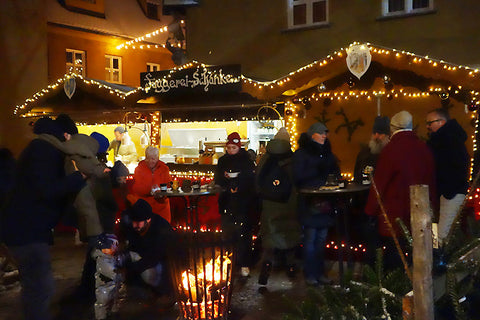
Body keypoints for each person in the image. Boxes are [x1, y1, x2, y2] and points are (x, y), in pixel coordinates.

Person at [1, 117, 85, 320]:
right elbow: (46, 189)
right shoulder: (44, 151)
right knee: (41, 287)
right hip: (27, 231)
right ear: (65, 135)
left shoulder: (42, 148)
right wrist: (77, 179)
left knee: (36, 287)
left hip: (25, 229)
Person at [365, 110, 436, 270]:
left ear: (392, 128)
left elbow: (379, 185)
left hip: (395, 215)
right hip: (421, 212)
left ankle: (396, 289)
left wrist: (370, 211)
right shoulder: (424, 148)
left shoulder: (390, 151)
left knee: (395, 256)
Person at [292, 122, 340, 286]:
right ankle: (311, 274)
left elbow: (335, 172)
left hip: (324, 202)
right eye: (321, 133)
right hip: (310, 203)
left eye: (325, 133)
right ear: (312, 135)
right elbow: (298, 177)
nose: (324, 136)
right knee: (312, 239)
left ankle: (318, 273)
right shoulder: (303, 154)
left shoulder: (327, 154)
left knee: (320, 240)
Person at [256, 127, 301, 285]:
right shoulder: (292, 158)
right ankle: (290, 270)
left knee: (270, 242)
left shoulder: (265, 158)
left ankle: (265, 271)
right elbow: (297, 180)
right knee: (289, 236)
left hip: (270, 205)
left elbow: (258, 180)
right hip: (288, 204)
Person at [215, 132, 256, 277]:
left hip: (243, 203)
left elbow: (250, 179)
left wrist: (239, 183)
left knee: (244, 234)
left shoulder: (246, 160)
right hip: (227, 202)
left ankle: (244, 263)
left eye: (233, 147)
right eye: (229, 147)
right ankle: (229, 262)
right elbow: (218, 178)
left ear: (239, 147)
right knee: (228, 233)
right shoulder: (222, 161)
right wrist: (224, 178)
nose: (231, 150)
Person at [426, 108, 469, 246]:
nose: (428, 126)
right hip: (449, 192)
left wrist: (446, 190)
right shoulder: (449, 139)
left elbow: (452, 168)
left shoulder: (447, 141)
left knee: (443, 236)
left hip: (451, 193)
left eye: (430, 123)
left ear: (441, 122)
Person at [118, 199, 175, 303]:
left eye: (138, 222)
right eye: (133, 221)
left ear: (148, 220)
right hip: (144, 259)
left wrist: (131, 267)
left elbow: (155, 257)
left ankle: (161, 293)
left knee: (149, 272)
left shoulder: (161, 229)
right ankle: (138, 289)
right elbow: (131, 247)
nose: (135, 225)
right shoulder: (135, 227)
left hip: (163, 266)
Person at [131, 146, 172, 223]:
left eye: (153, 159)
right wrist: (150, 190)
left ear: (158, 158)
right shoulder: (139, 169)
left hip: (162, 209)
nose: (150, 161)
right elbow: (136, 188)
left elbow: (169, 186)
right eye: (148, 158)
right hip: (144, 209)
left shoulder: (164, 169)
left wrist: (161, 193)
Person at [92, 233, 123, 320]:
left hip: (114, 287)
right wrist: (121, 274)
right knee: (102, 304)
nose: (112, 249)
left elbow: (121, 261)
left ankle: (113, 313)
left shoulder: (113, 257)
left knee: (114, 301)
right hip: (104, 289)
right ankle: (101, 317)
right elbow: (112, 272)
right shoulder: (103, 261)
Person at [353, 116, 390, 184]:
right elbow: (357, 178)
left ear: (388, 137)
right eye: (374, 133)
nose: (376, 136)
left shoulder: (391, 155)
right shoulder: (363, 154)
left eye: (380, 134)